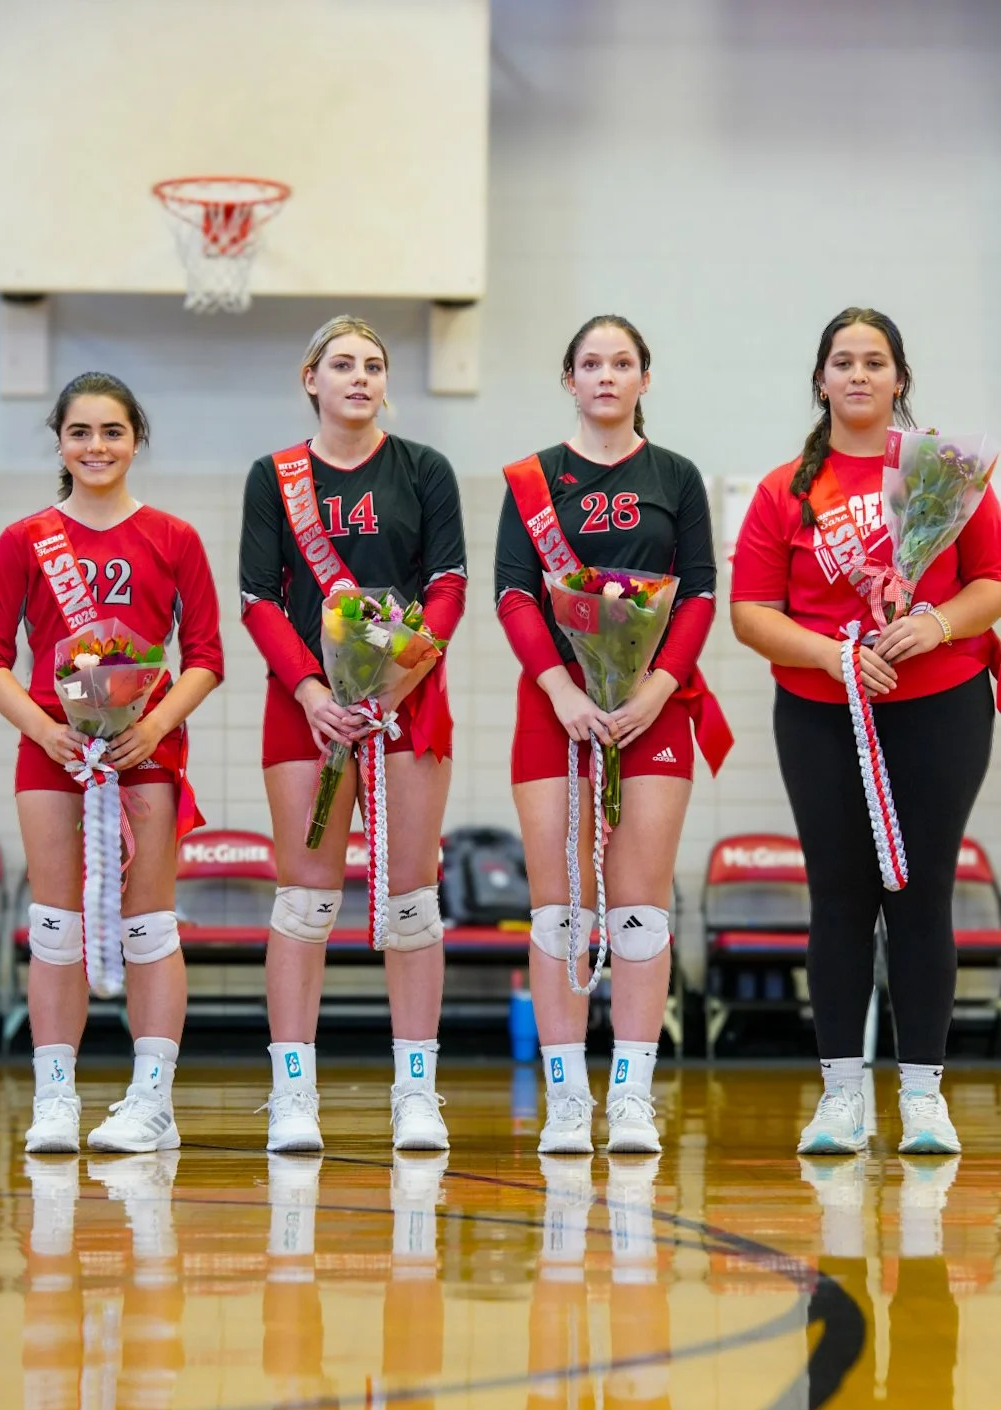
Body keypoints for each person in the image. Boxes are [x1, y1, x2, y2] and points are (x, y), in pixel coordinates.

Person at [731, 306, 1001, 1155]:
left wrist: (940, 626)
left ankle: (923, 1095)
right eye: (841, 361)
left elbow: (993, 580)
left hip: (942, 705)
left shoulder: (948, 476)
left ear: (898, 379)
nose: (857, 374)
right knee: (840, 898)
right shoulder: (785, 490)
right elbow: (748, 614)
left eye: (873, 361)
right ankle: (841, 1094)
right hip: (821, 712)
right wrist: (831, 656)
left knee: (920, 897)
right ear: (821, 380)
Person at [0, 372, 222, 1154]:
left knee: (148, 928)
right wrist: (44, 731)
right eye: (80, 432)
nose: (97, 446)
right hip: (56, 752)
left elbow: (206, 657)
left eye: (112, 431)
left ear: (135, 439)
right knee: (56, 928)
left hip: (143, 752)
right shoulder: (24, 539)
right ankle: (56, 1098)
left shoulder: (174, 537)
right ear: (60, 442)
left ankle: (152, 1100)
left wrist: (154, 727)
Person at [494, 315, 728, 1155]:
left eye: (621, 362)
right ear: (569, 379)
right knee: (558, 909)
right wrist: (560, 690)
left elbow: (698, 593)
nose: (605, 376)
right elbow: (515, 596)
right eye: (590, 363)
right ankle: (567, 1098)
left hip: (651, 707)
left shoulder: (676, 476)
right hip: (554, 707)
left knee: (637, 907)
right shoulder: (533, 479)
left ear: (643, 379)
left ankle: (630, 1095)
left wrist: (656, 688)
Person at [240, 315, 467, 1155]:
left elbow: (448, 583)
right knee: (304, 901)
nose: (360, 378)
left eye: (373, 365)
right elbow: (259, 598)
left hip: (409, 703)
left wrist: (406, 666)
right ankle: (293, 1093)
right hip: (307, 710)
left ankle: (417, 1093)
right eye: (343, 365)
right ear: (311, 378)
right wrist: (310, 689)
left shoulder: (425, 469)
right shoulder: (275, 477)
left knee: (411, 900)